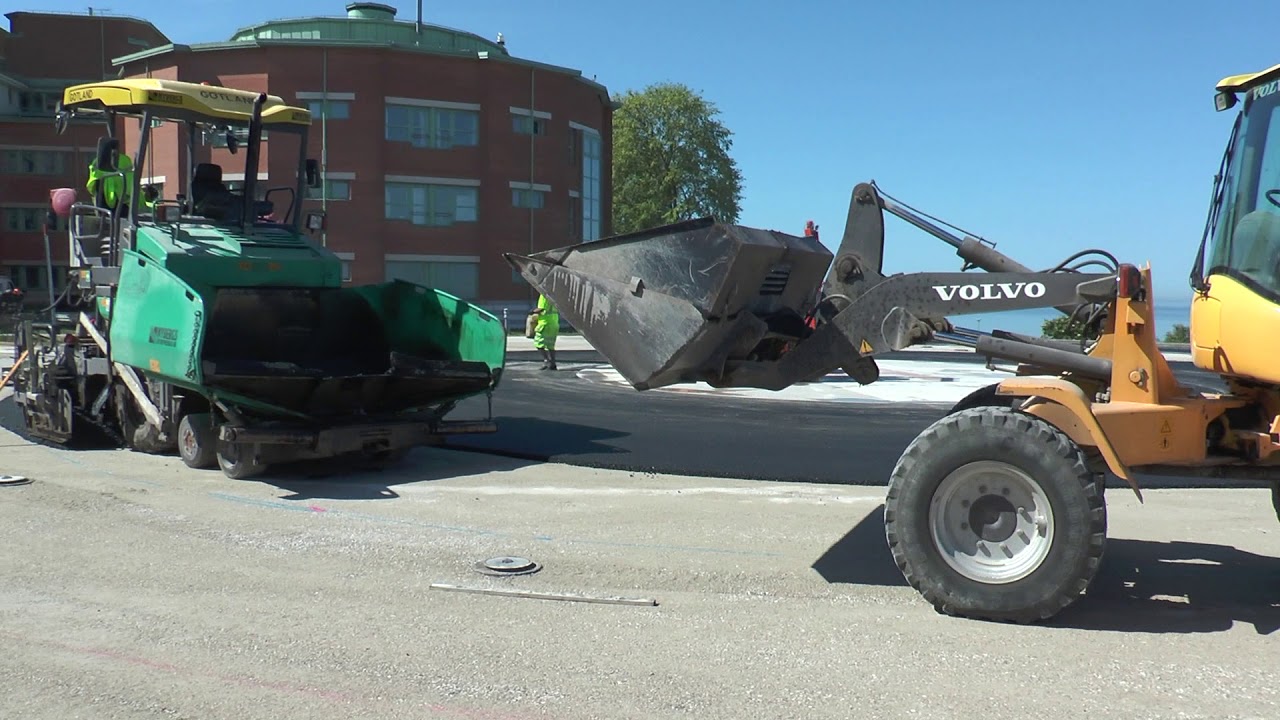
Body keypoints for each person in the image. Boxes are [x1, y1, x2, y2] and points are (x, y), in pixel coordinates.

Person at [529, 293, 559, 370]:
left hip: (545, 323)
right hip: (554, 323)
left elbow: (541, 309)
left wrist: (532, 311)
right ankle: (553, 363)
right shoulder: (555, 295)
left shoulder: (544, 295)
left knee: (538, 343)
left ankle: (546, 360)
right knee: (551, 345)